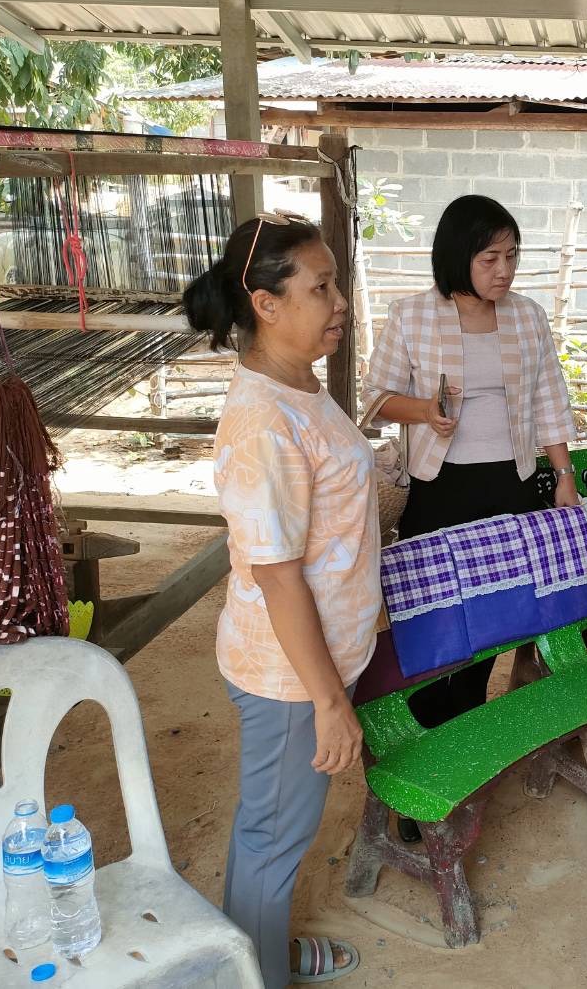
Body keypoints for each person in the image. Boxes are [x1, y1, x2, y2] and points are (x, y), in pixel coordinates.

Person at [183, 212, 374, 987]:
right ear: (265, 304)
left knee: (277, 828)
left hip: (316, 659)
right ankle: (253, 973)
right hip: (292, 676)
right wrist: (328, 702)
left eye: (337, 284)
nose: (339, 304)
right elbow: (278, 575)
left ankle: (257, 954)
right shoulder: (262, 420)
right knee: (273, 836)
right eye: (321, 287)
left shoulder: (300, 385)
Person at [362, 194, 580, 835]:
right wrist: (425, 413)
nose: (504, 270)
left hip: (510, 487)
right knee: (433, 627)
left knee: (492, 622)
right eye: (491, 257)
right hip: (441, 486)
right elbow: (375, 399)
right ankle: (421, 769)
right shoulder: (412, 317)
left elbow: (549, 399)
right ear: (459, 255)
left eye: (512, 256)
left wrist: (563, 475)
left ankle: (462, 744)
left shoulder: (527, 318)